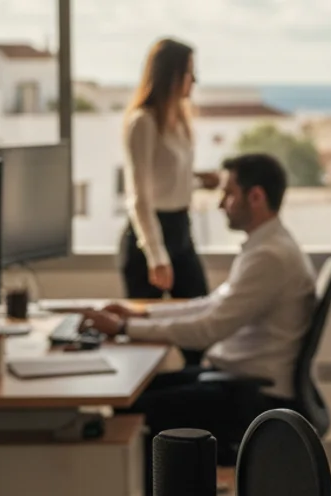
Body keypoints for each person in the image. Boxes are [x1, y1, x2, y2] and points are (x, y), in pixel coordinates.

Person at [84, 153, 316, 439]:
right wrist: (141, 314)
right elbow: (211, 304)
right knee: (134, 392)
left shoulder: (270, 256)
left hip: (253, 394)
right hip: (239, 380)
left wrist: (123, 328)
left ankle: (157, 484)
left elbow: (208, 329)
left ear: (255, 197)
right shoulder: (267, 246)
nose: (220, 204)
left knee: (131, 406)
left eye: (228, 193)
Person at [120, 38, 219, 356]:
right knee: (141, 339)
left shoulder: (180, 123)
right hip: (150, 236)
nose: (195, 80)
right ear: (171, 75)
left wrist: (200, 180)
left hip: (180, 229)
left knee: (200, 322)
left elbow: (169, 178)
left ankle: (192, 399)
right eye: (190, 72)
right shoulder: (143, 122)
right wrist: (156, 256)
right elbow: (140, 197)